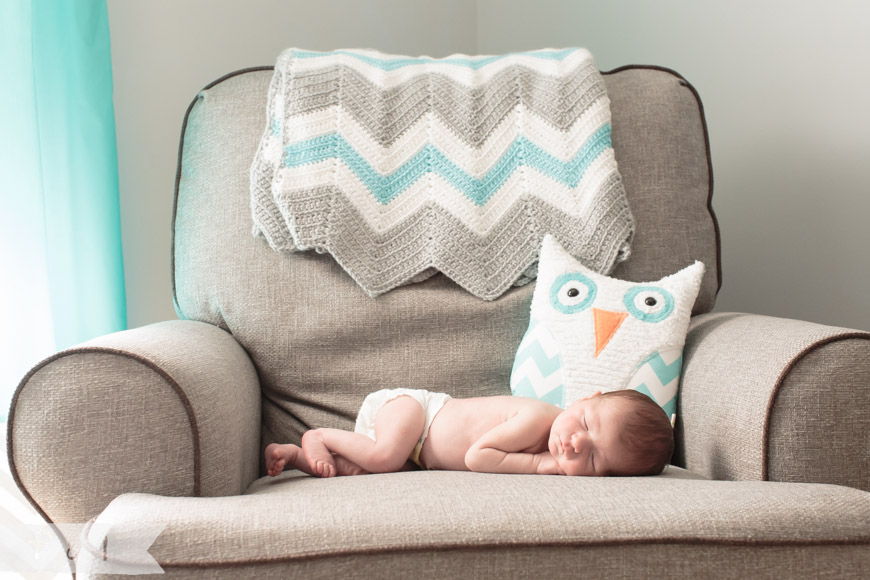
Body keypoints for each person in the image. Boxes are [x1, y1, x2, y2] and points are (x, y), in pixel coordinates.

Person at [265, 388, 673, 478]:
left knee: (355, 472)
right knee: (384, 456)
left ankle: (300, 457)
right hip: (415, 413)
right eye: (585, 424)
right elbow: (478, 457)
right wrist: (538, 465)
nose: (576, 444)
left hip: (420, 454)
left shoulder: (566, 441)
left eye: (595, 459)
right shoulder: (537, 420)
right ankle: (318, 435)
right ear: (585, 398)